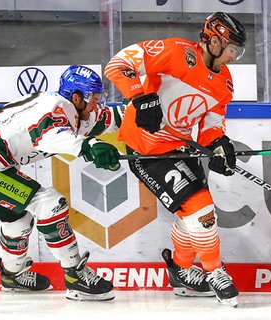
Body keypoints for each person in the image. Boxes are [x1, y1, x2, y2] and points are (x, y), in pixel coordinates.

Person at [104, 12, 246, 307]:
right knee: (201, 210)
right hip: (146, 150)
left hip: (180, 147)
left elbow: (211, 123)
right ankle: (215, 271)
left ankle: (181, 271)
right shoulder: (175, 52)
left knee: (192, 216)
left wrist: (220, 144)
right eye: (232, 49)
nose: (233, 56)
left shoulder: (226, 83)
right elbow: (117, 64)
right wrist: (140, 97)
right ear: (215, 40)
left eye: (237, 51)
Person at [0, 65, 124, 301]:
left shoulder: (75, 111)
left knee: (17, 220)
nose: (97, 104)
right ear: (76, 97)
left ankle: (11, 275)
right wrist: (89, 147)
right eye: (93, 99)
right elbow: (48, 136)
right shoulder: (54, 108)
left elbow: (112, 118)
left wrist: (148, 110)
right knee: (49, 204)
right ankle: (75, 275)